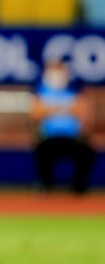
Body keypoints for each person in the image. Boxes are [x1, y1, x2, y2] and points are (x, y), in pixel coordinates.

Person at [30, 59, 95, 193]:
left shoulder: (73, 91)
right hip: (49, 139)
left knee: (87, 151)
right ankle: (46, 186)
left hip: (72, 139)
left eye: (60, 71)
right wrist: (67, 108)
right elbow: (36, 113)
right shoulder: (41, 91)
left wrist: (51, 109)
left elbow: (84, 111)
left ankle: (79, 188)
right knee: (42, 151)